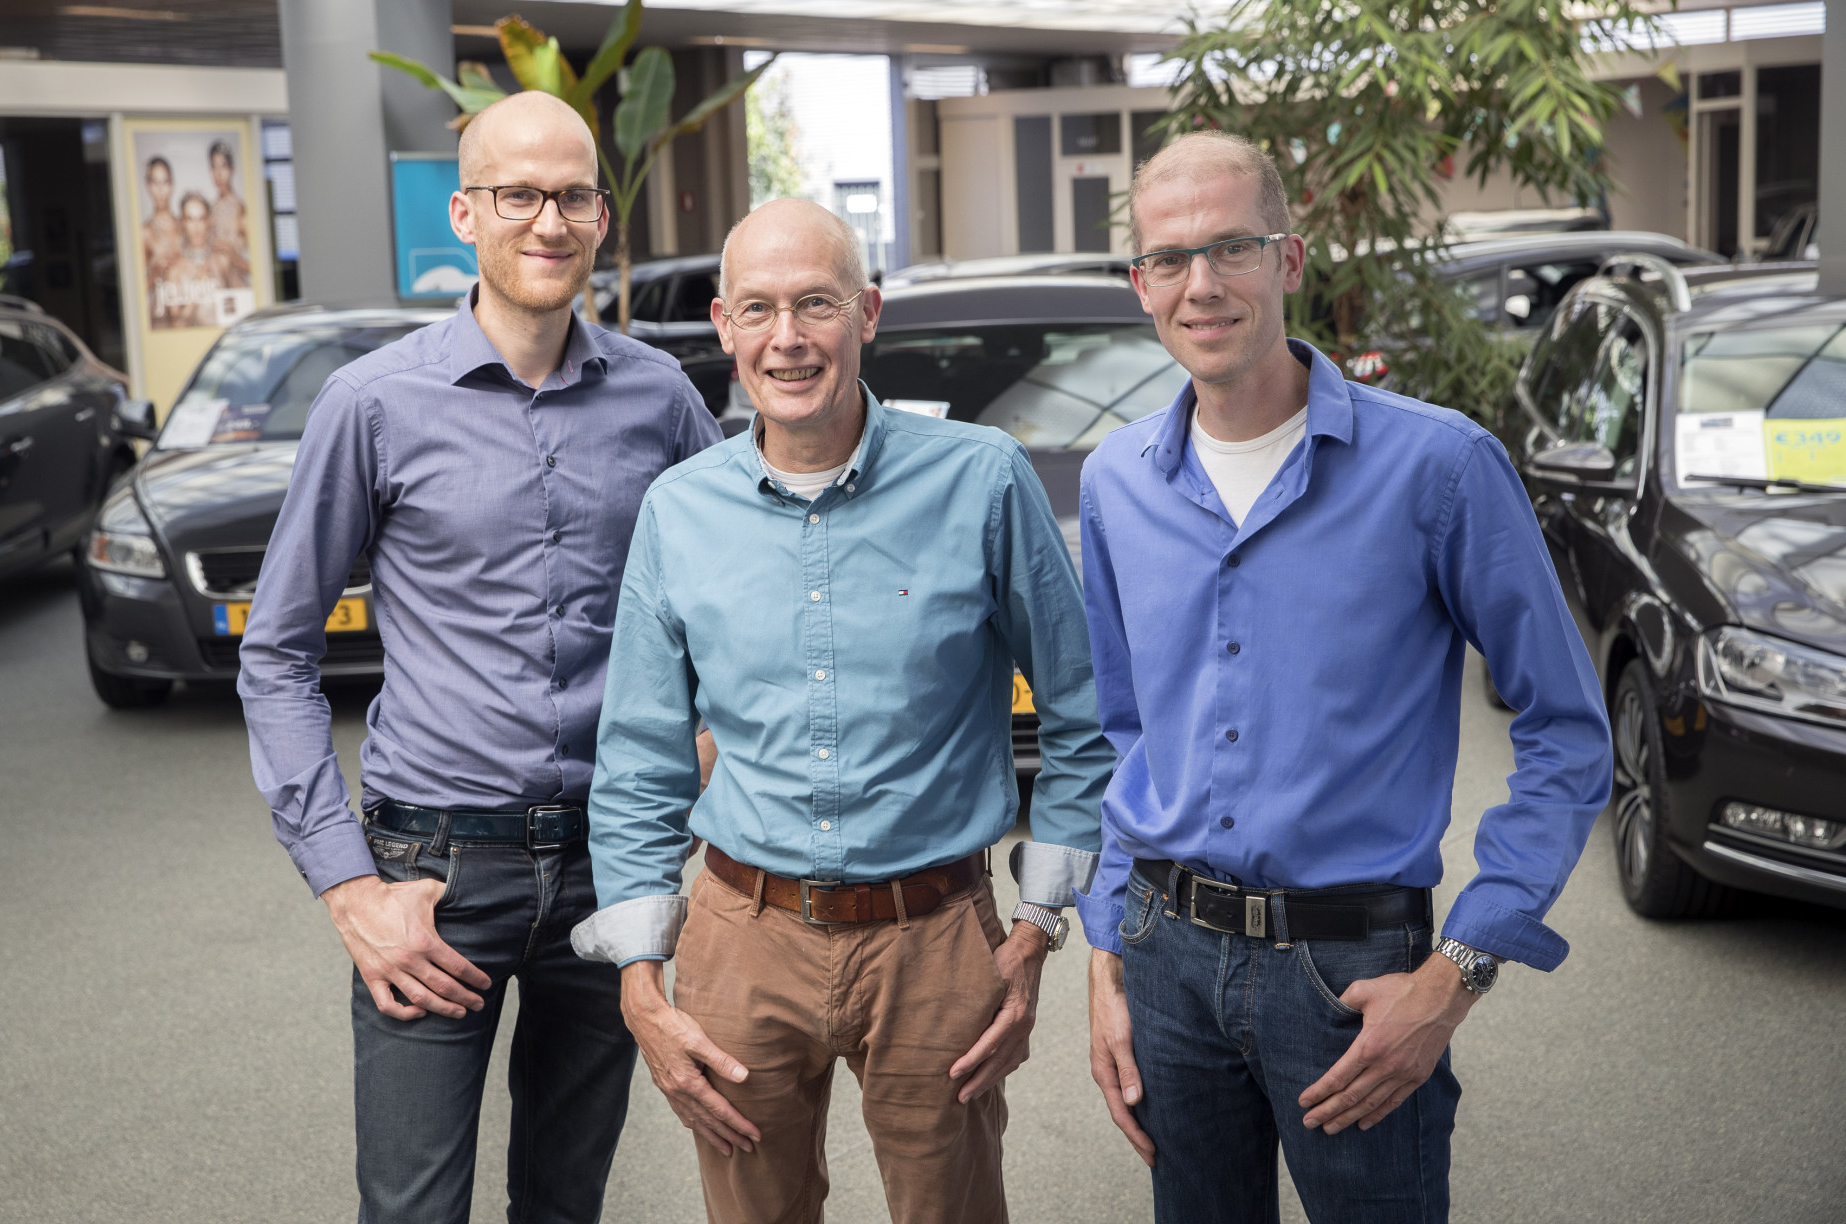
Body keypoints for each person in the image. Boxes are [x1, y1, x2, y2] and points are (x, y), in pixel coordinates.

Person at [1077, 132, 1612, 1223]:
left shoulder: (1440, 466)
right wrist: (1105, 949)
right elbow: (1122, 731)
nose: (1200, 284)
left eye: (1232, 247)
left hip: (1353, 968)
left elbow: (1566, 727)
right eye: (1169, 258)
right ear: (1140, 284)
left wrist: (1457, 972)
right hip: (1162, 952)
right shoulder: (1113, 482)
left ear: (1289, 258)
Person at [572, 197, 1114, 1224]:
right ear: (724, 327)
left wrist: (1039, 925)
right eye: (759, 308)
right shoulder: (679, 511)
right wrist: (640, 977)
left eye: (815, 303)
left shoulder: (982, 479)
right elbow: (640, 755)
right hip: (741, 936)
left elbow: (1084, 713)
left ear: (866, 312)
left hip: (935, 934)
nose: (788, 337)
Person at [238, 91, 722, 1224]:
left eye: (574, 196)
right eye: (519, 195)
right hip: (433, 875)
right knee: (412, 1209)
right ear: (465, 214)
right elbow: (276, 654)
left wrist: (707, 746)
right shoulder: (371, 404)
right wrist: (348, 886)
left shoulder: (659, 398)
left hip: (612, 859)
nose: (549, 221)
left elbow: (733, 599)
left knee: (564, 1203)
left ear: (602, 216)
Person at [157, 193, 249, 328]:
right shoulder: (176, 269)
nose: (196, 226)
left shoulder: (221, 260)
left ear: (209, 221)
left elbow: (245, 305)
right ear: (182, 222)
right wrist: (197, 291)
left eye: (201, 219)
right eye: (190, 219)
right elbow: (178, 325)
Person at [140, 156, 180, 318]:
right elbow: (137, 289)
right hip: (161, 314)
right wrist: (156, 271)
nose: (161, 190)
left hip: (189, 309)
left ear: (172, 185)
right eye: (155, 183)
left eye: (165, 182)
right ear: (148, 186)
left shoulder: (186, 224)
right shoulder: (145, 232)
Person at [208, 139, 251, 260]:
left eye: (223, 166)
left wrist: (232, 255)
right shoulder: (211, 208)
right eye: (214, 167)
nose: (219, 173)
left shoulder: (240, 208)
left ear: (231, 169)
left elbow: (255, 257)